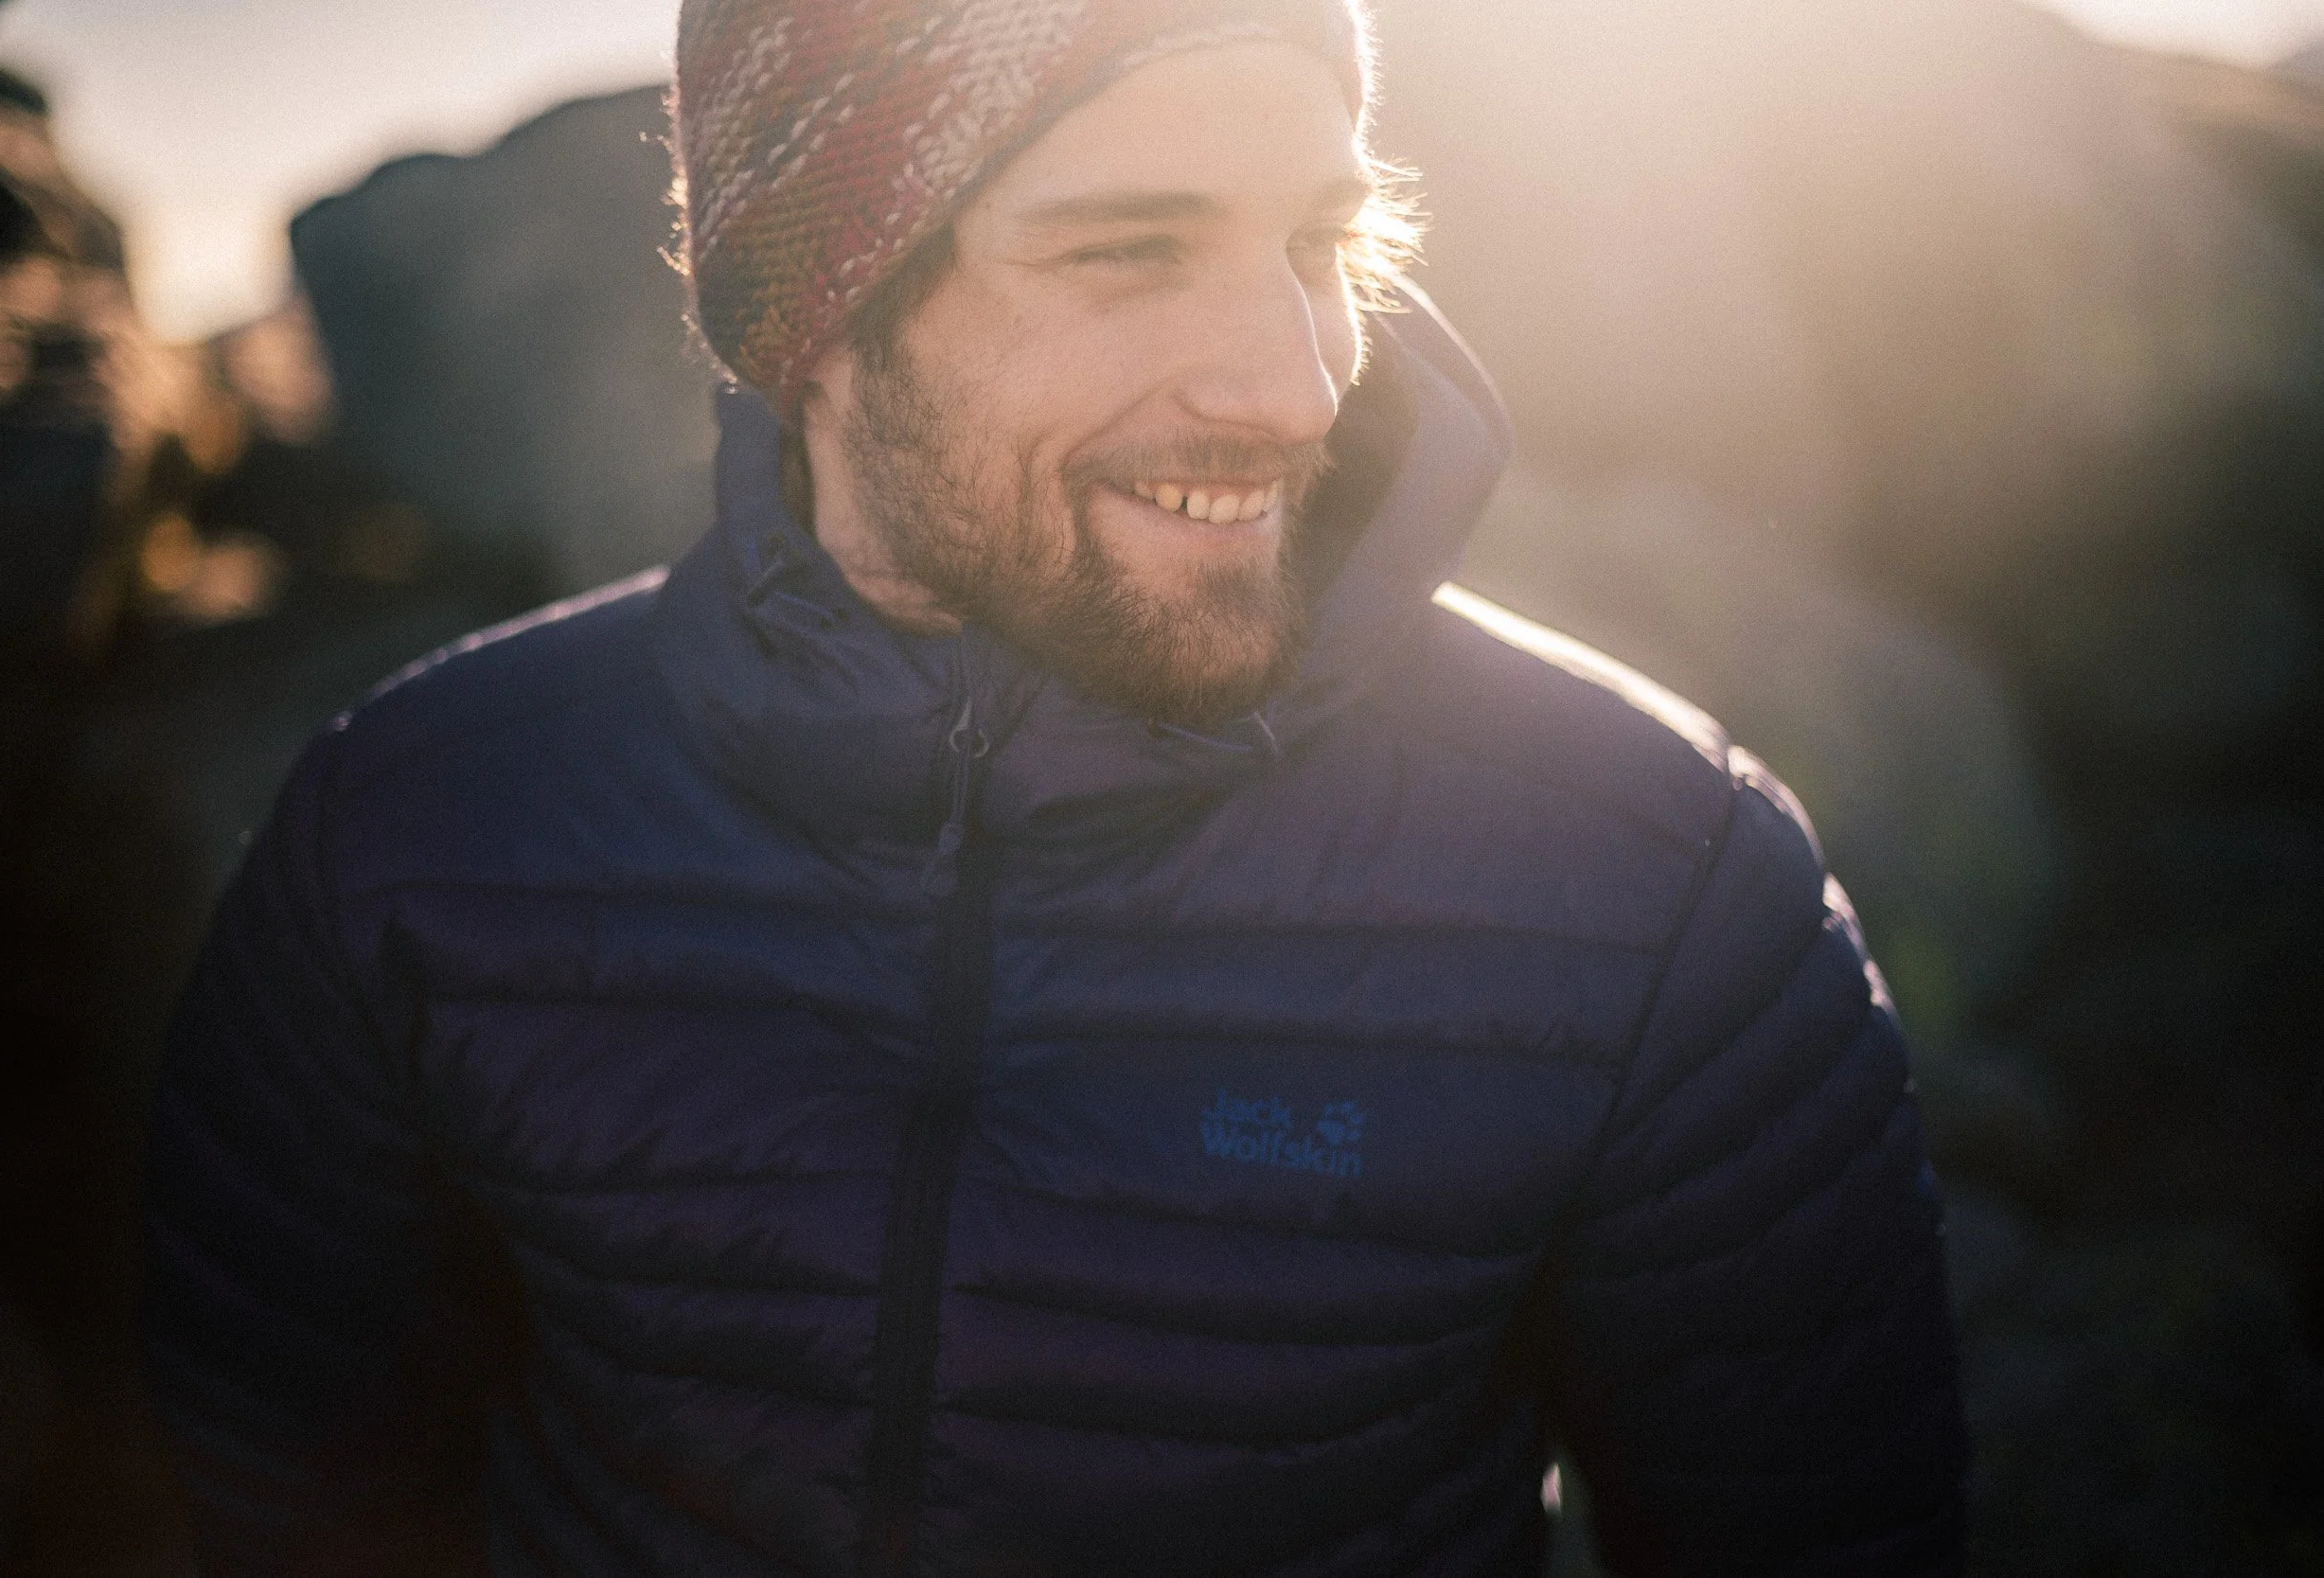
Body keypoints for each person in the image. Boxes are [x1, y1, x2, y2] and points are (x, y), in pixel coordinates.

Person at [141, 0, 1970, 1572]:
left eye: (1325, 241)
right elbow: (285, 1498)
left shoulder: (1660, 887)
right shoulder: (423, 827)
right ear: (819, 319)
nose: (1297, 380)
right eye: (1128, 249)